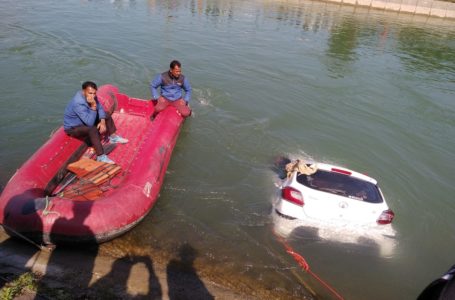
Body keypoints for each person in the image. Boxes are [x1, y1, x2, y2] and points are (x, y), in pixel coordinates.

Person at [63, 81, 128, 164]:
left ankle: (113, 137)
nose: (92, 96)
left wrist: (103, 122)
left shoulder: (92, 96)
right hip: (74, 127)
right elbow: (89, 123)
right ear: (83, 91)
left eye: (94, 93)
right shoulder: (78, 103)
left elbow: (100, 108)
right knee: (92, 129)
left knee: (106, 115)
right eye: (90, 93)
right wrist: (93, 106)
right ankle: (100, 156)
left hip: (86, 119)